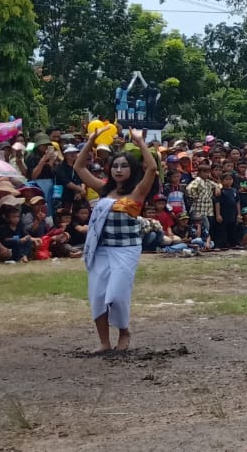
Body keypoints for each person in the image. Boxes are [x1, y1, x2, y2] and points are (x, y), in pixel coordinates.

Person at [75, 126, 159, 352]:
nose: (119, 170)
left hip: (126, 249)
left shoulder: (137, 193)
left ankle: (124, 331)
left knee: (116, 295)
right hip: (100, 249)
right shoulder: (103, 190)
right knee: (98, 296)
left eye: (124, 166)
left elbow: (151, 167)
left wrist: (140, 142)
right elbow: (79, 166)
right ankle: (104, 343)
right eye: (115, 166)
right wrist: (91, 141)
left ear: (132, 169)